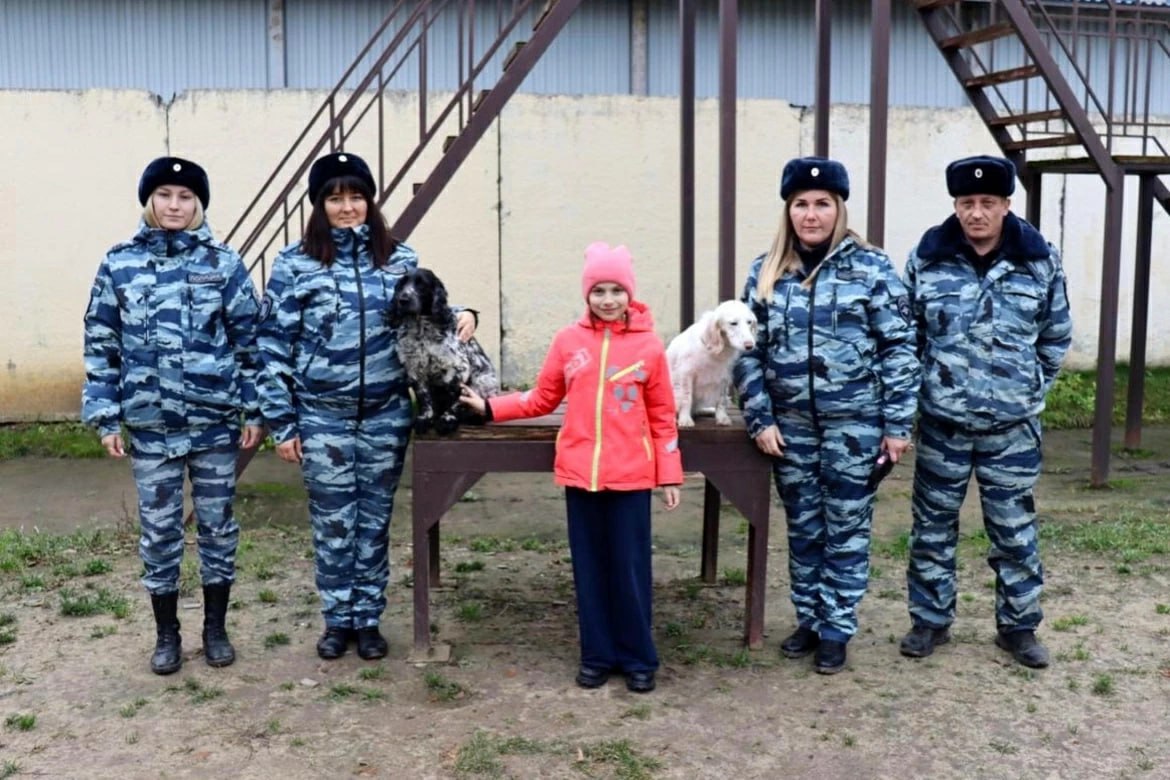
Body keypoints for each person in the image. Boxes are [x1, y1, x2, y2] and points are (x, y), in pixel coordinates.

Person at [257, 152, 477, 661]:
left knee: (375, 520)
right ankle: (338, 620)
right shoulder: (295, 264)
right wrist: (282, 422)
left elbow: (430, 306)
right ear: (320, 205)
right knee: (333, 523)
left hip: (384, 413)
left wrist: (466, 312)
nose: (347, 207)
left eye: (356, 196)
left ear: (370, 202)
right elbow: (272, 345)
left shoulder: (399, 258)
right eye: (335, 198)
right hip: (322, 416)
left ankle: (369, 620)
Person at [461, 241, 683, 693]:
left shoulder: (649, 346)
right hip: (582, 476)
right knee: (590, 569)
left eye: (616, 290)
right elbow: (542, 397)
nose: (607, 300)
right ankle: (597, 655)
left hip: (631, 478)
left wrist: (669, 472)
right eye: (598, 290)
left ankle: (638, 658)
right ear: (587, 294)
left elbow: (663, 414)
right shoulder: (568, 342)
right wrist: (490, 407)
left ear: (630, 294)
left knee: (630, 570)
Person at [733, 157, 920, 675]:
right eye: (801, 204)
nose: (811, 215)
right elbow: (746, 351)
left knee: (847, 527)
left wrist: (897, 426)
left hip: (855, 425)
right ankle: (810, 620)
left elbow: (900, 348)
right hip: (789, 427)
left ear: (839, 209)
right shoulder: (766, 271)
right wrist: (759, 417)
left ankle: (836, 627)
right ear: (788, 211)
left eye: (822, 204)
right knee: (804, 527)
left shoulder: (872, 269)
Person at [83, 156, 263, 674]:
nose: (175, 205)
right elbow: (101, 343)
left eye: (186, 197)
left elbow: (249, 343)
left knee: (217, 528)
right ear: (149, 201)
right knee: (160, 533)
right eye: (164, 195)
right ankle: (167, 635)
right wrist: (105, 415)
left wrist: (255, 409)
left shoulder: (223, 264)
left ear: (199, 204)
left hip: (214, 424)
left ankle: (215, 629)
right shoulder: (119, 263)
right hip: (151, 426)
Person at [898, 155, 1072, 669]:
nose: (977, 213)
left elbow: (1055, 336)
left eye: (988, 203)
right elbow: (908, 338)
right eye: (967, 202)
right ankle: (930, 620)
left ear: (1006, 205)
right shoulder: (927, 259)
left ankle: (1019, 627)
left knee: (1014, 531)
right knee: (932, 527)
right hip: (943, 424)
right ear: (955, 205)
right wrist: (925, 391)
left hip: (1011, 429)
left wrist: (1027, 387)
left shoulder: (1038, 260)